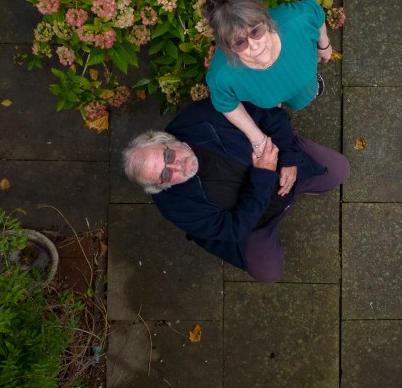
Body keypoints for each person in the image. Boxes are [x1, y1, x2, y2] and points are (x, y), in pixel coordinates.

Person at [121, 98, 348, 283]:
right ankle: (277, 216)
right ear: (161, 186)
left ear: (167, 140)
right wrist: (264, 175)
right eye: (164, 175)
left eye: (168, 156)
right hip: (257, 223)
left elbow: (268, 114)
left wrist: (289, 158)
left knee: (339, 171)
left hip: (287, 169)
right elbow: (232, 230)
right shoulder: (174, 206)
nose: (176, 167)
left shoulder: (198, 118)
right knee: (269, 274)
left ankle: (297, 176)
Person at [203, 0, 332, 193]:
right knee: (272, 104)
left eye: (256, 31)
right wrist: (257, 138)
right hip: (268, 101)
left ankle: (309, 90)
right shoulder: (222, 75)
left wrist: (325, 45)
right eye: (239, 43)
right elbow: (225, 104)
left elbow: (316, 12)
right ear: (226, 46)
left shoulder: (296, 20)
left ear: (265, 19)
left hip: (303, 83)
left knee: (307, 90)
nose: (254, 47)